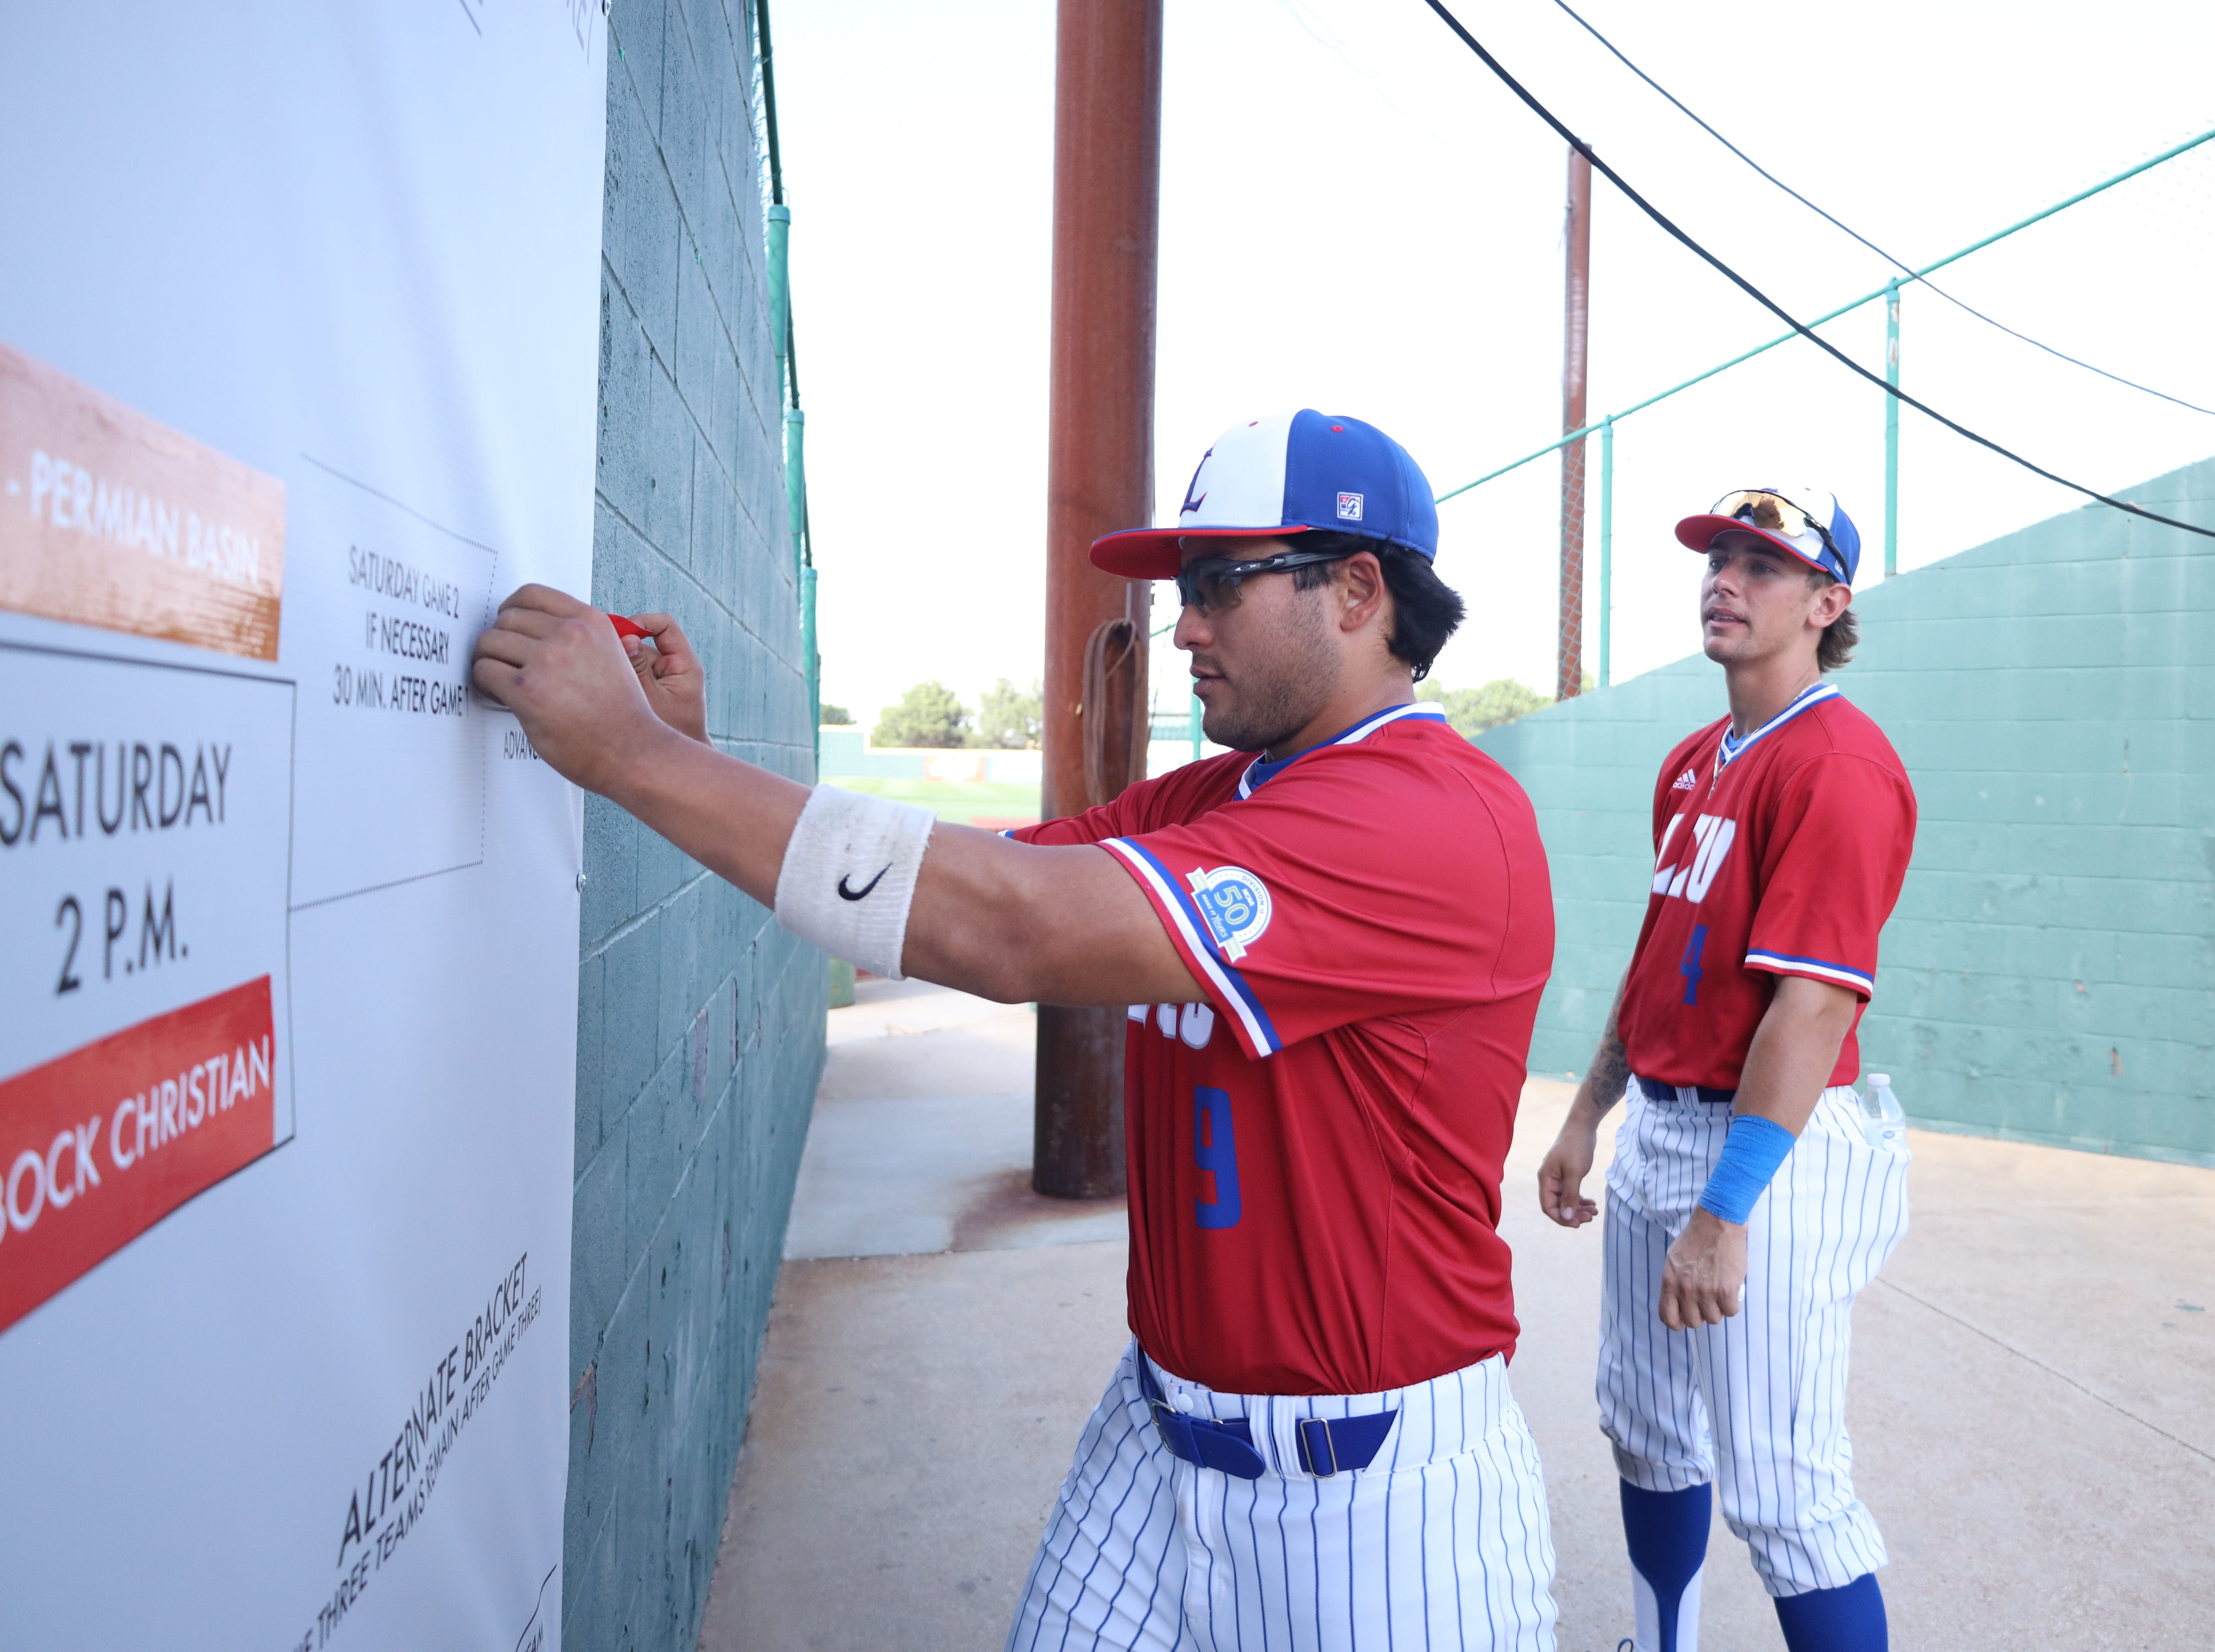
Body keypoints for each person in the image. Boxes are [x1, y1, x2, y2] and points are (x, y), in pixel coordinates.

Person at [474, 409, 1561, 1651]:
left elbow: (1016, 934)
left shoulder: (1432, 816)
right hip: (1155, 1438)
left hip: (1377, 1503)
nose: (1185, 625)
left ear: (1358, 590)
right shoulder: (1226, 792)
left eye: (1217, 585)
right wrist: (689, 760)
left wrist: (629, 760)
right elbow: (964, 885)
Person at [1534, 487, 1917, 1652]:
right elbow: (1662, 959)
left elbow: (1810, 1005)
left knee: (1787, 1492)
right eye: (1719, 559)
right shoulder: (1698, 759)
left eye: (1762, 564)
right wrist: (1585, 1115)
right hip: (1661, 1120)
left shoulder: (1842, 766)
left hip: (1772, 1155)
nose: (1726, 580)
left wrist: (1725, 1209)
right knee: (1645, 1427)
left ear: (1827, 603)